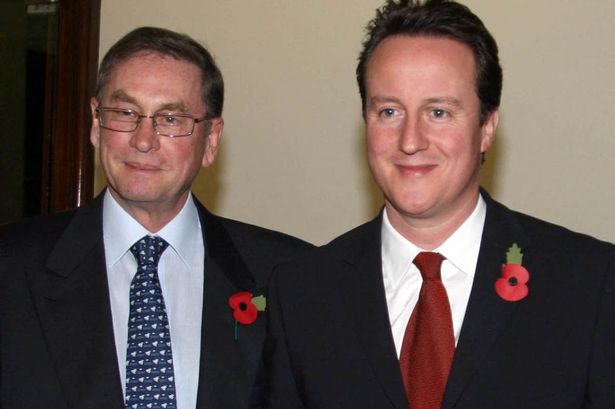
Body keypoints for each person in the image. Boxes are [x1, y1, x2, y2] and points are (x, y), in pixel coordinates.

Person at [265, 1, 615, 408]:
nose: (410, 140)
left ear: (486, 127)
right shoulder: (302, 294)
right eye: (389, 111)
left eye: (439, 111)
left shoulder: (590, 284)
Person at [0, 26, 312, 409]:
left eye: (170, 119)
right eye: (125, 112)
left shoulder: (291, 278)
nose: (143, 140)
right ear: (96, 124)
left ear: (211, 140)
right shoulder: (11, 269)